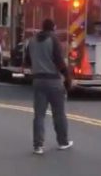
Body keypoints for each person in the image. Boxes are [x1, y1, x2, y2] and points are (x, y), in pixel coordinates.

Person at [23, 19, 74, 155]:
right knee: (59, 114)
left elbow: (27, 60)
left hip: (38, 80)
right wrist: (67, 77)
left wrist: (38, 64)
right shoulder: (53, 39)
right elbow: (59, 61)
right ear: (53, 28)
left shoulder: (32, 41)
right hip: (53, 80)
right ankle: (63, 142)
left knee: (39, 115)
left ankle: (38, 146)